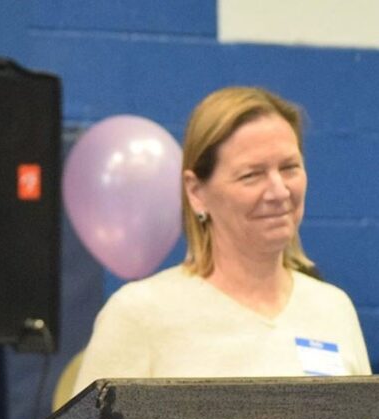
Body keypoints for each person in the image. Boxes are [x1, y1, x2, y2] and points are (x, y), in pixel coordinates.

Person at [74, 86, 371, 394]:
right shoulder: (139, 315)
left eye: (289, 168)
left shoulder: (333, 308)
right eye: (251, 175)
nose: (280, 191)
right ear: (196, 192)